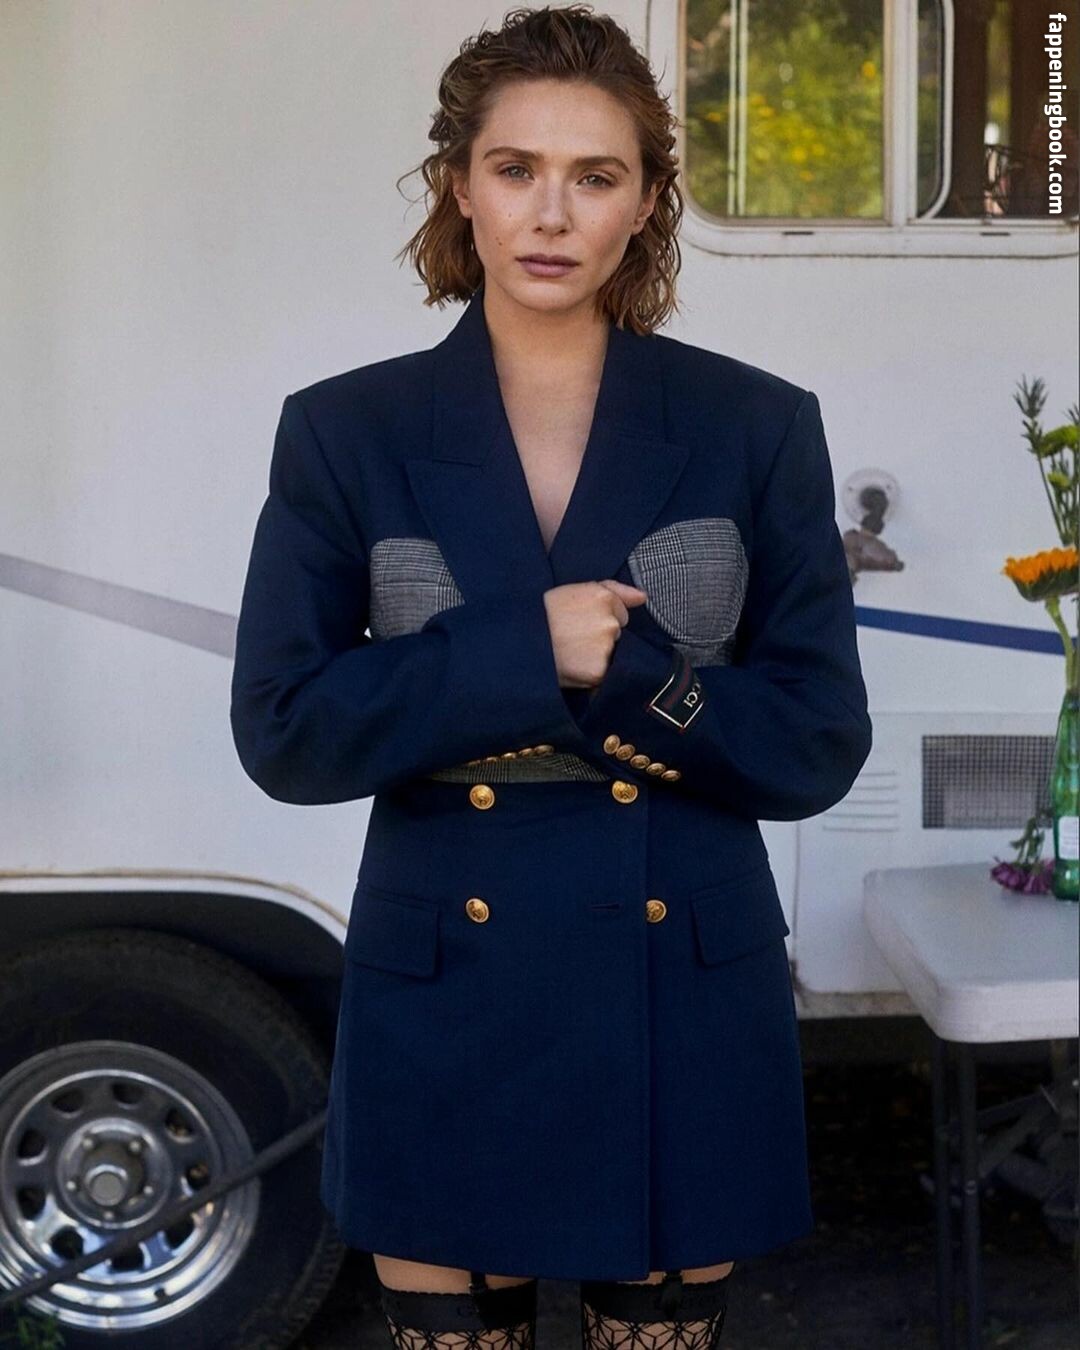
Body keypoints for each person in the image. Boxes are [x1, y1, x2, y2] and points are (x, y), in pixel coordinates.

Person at [229, 5, 873, 1347]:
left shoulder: (754, 424)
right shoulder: (348, 430)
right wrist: (526, 651)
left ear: (647, 204)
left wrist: (626, 677)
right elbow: (286, 729)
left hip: (679, 978)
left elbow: (815, 741)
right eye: (516, 168)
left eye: (596, 176)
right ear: (459, 185)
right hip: (448, 990)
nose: (552, 213)